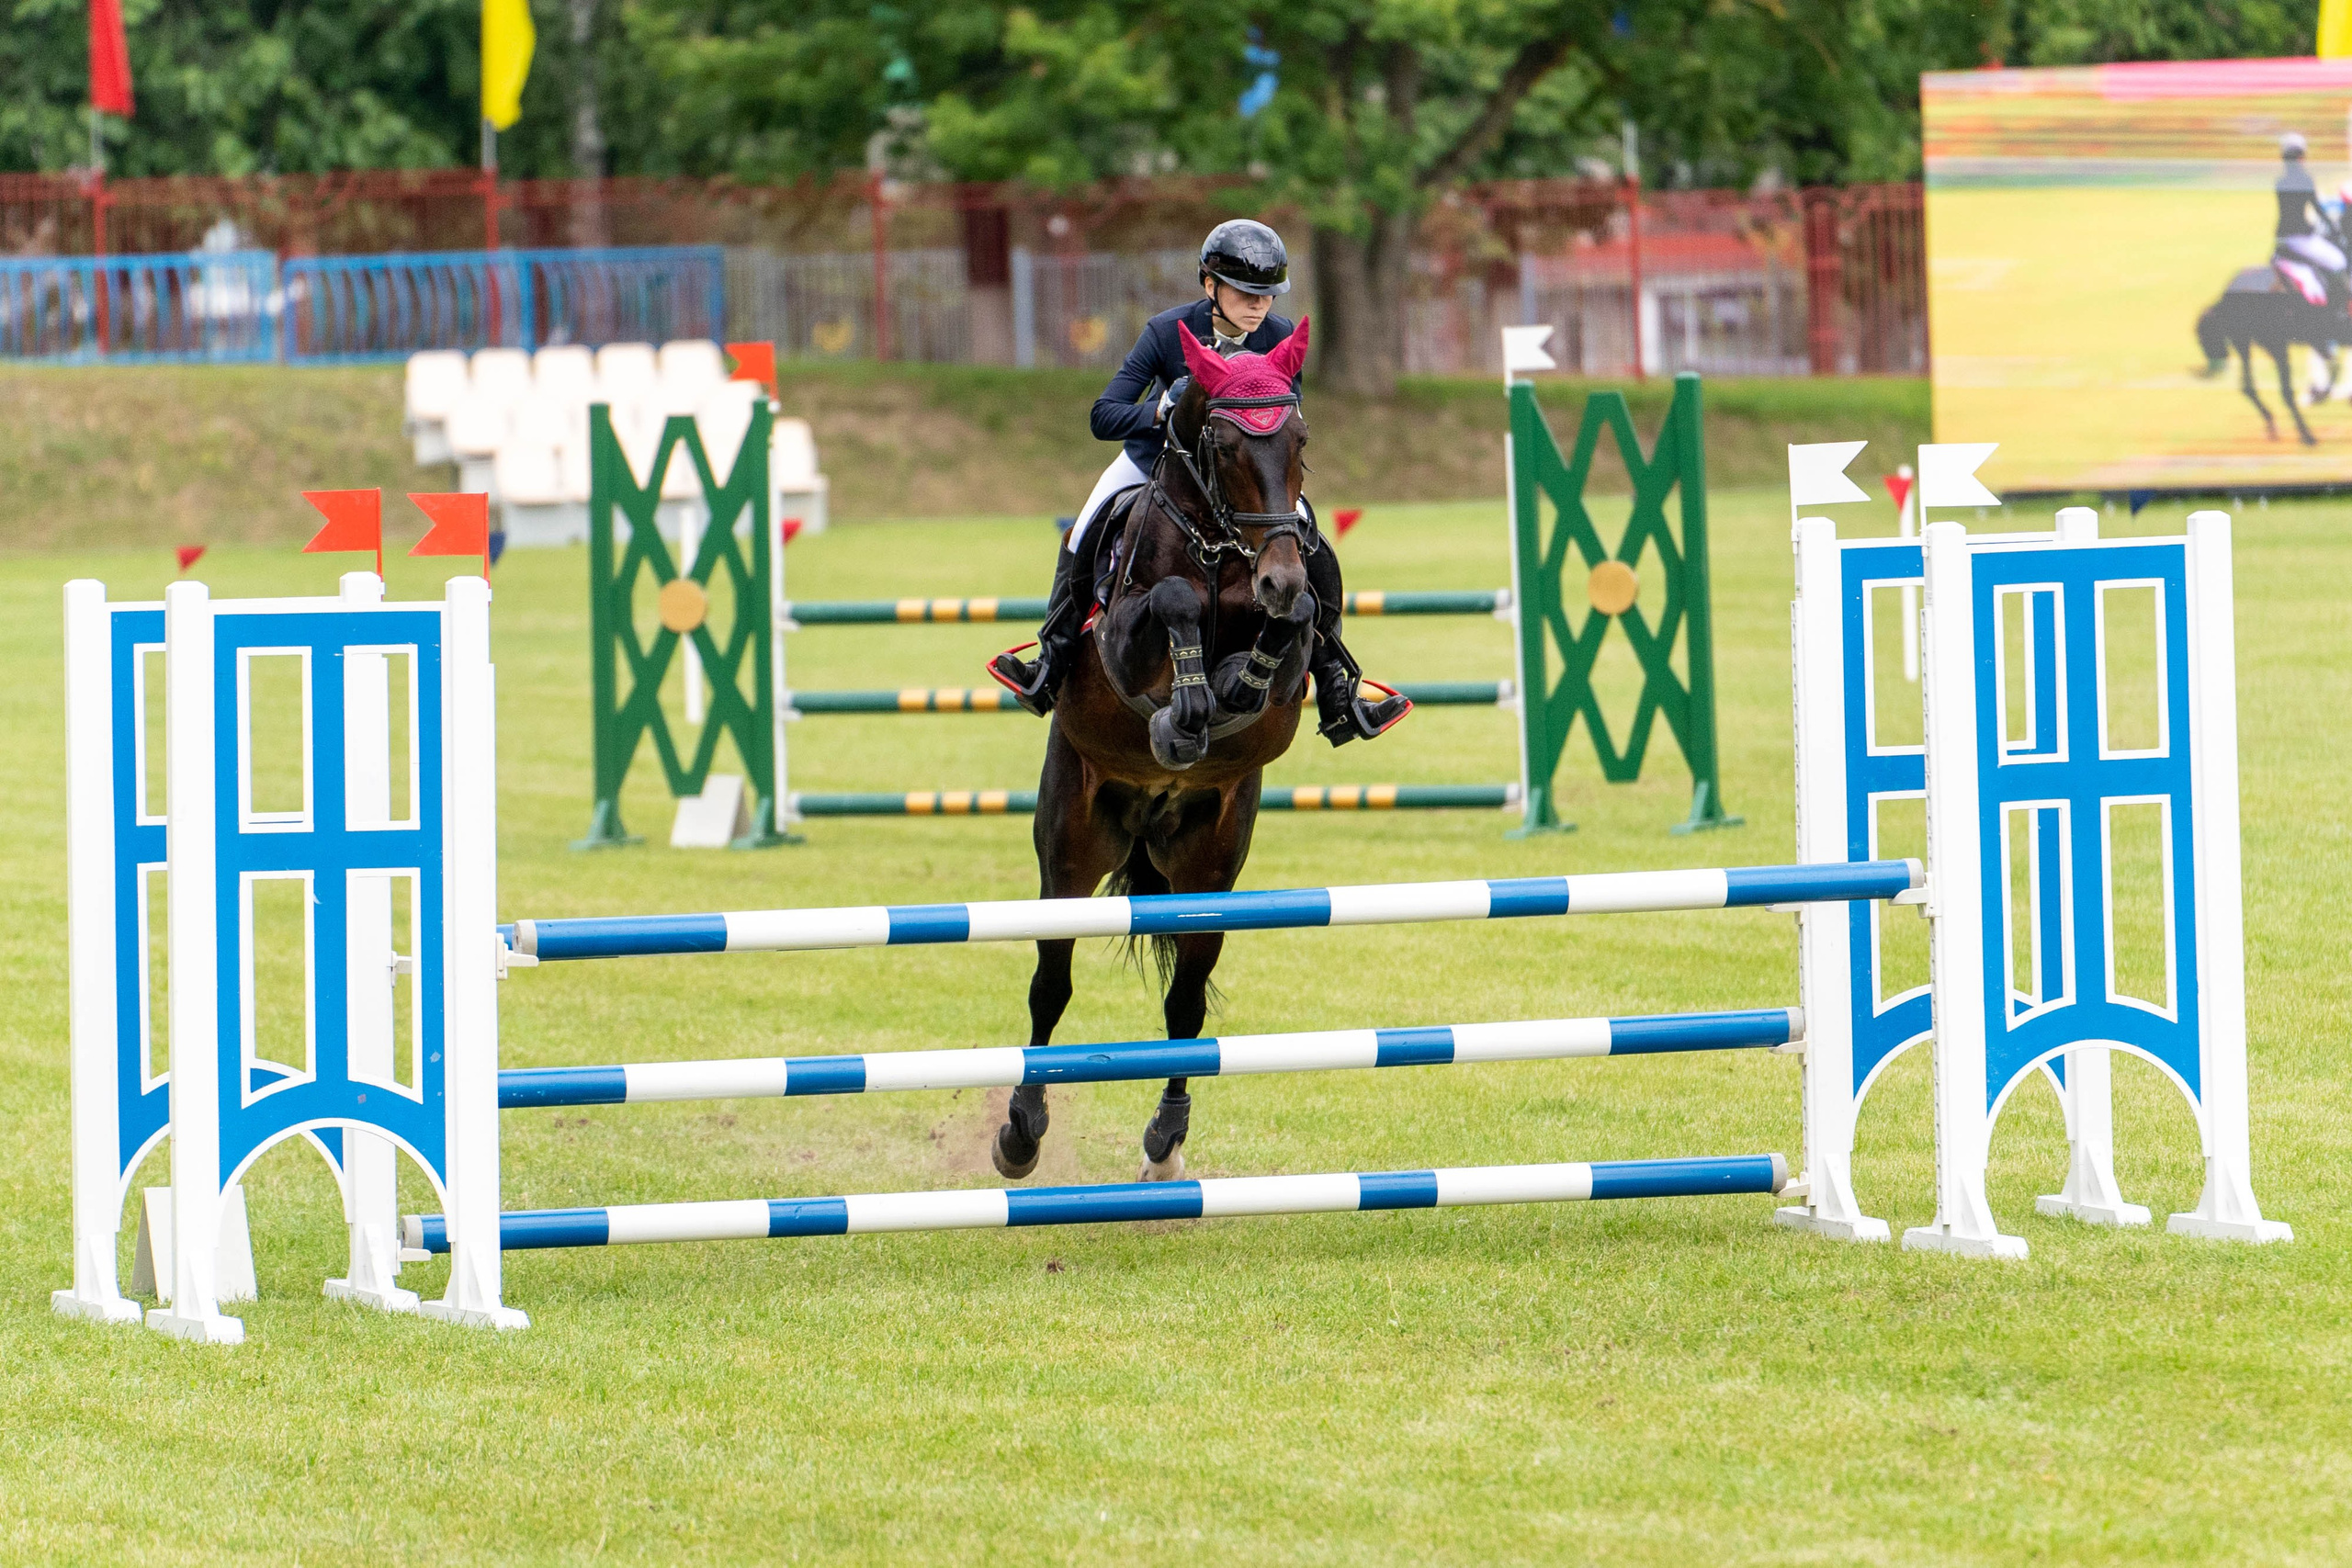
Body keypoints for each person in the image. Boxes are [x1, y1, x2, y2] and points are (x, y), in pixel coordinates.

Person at [987, 219, 1408, 746]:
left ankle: (1335, 687)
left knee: (1313, 544)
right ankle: (1052, 659)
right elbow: (1105, 414)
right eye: (1246, 293)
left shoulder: (1279, 338)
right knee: (1084, 530)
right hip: (1158, 463)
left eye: (1267, 295)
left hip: (1241, 477)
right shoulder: (1167, 331)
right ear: (1210, 285)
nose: (1259, 306)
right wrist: (1160, 410)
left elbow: (1280, 420)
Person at [2273, 132, 2347, 307]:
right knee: (2338, 260)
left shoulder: (2280, 181)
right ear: (2300, 158)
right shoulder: (2305, 180)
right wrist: (2333, 227)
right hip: (2299, 238)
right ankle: (2337, 306)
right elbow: (2317, 208)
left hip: (2285, 236)